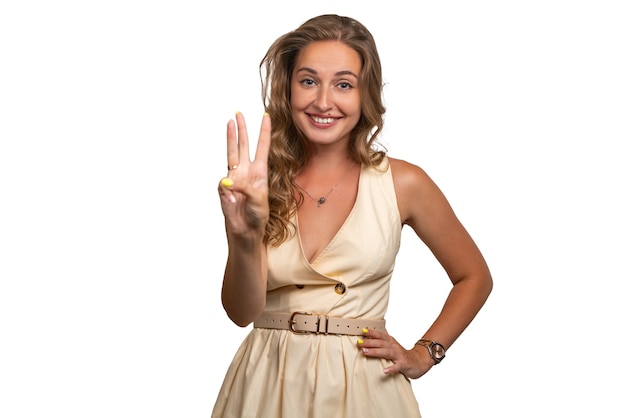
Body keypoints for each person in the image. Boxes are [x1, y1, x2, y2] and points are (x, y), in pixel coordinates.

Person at [214, 14, 492, 418]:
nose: (323, 101)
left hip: (364, 388)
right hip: (266, 384)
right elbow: (240, 314)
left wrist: (424, 354)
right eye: (308, 81)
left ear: (366, 94)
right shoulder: (259, 183)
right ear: (287, 88)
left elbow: (475, 277)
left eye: (343, 84)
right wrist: (242, 234)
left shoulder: (404, 182)